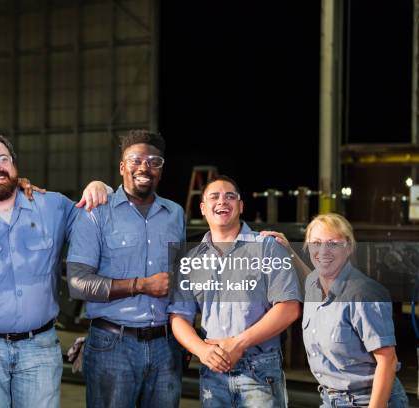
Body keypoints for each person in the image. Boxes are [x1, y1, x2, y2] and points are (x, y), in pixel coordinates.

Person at [0, 134, 110, 408]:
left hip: (39, 349)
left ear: (15, 166)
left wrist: (100, 187)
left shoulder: (52, 206)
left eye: (4, 158)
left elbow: (99, 227)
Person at [66, 130, 185, 408]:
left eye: (154, 161)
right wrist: (141, 285)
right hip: (112, 346)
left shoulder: (175, 214)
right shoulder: (96, 212)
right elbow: (77, 283)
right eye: (136, 159)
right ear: (122, 167)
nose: (145, 167)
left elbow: (181, 281)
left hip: (166, 347)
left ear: (161, 170)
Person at [168, 175, 302, 407]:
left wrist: (238, 344)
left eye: (230, 196)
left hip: (260, 369)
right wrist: (201, 350)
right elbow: (179, 316)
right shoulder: (192, 260)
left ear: (240, 206)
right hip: (213, 371)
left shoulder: (267, 248)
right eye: (214, 197)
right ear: (203, 208)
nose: (222, 201)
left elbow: (289, 309)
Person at [292, 213, 407, 407]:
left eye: (333, 243)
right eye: (316, 243)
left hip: (369, 401)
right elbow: (307, 275)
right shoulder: (313, 283)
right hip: (330, 400)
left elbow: (388, 360)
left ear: (349, 247)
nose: (323, 250)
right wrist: (287, 249)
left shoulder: (363, 295)